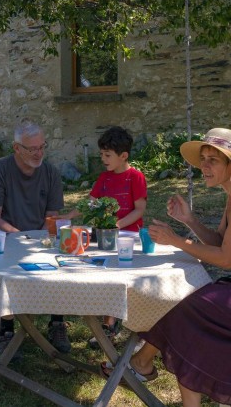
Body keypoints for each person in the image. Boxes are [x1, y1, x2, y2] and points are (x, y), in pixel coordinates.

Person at [103, 128, 231, 407]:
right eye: (203, 159)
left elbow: (226, 258)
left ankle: (142, 363)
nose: (204, 166)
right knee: (183, 306)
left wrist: (176, 241)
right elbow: (220, 242)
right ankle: (143, 365)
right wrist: (190, 221)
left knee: (184, 310)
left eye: (213, 160)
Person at [0, 119, 70, 353]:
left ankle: (57, 322)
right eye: (32, 148)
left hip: (41, 236)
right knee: (4, 269)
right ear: (16, 148)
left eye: (42, 146)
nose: (38, 153)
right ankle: (5, 329)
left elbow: (52, 215)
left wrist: (39, 239)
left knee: (59, 261)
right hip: (6, 238)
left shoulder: (50, 172)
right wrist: (22, 238)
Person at [86, 126, 147, 348]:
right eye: (101, 154)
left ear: (123, 156)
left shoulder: (135, 177)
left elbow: (139, 209)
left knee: (127, 281)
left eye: (107, 155)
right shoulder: (104, 178)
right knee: (106, 277)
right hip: (105, 236)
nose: (103, 159)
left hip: (128, 237)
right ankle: (109, 325)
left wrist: (118, 224)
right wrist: (73, 214)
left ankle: (139, 326)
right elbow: (90, 202)